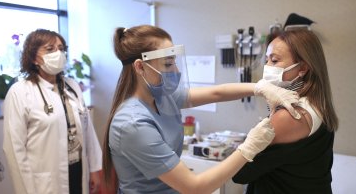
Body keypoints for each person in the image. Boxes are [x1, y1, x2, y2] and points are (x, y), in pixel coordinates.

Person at [102, 25, 301, 194]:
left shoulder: (162, 97)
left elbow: (217, 93)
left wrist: (259, 88)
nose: (176, 71)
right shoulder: (132, 124)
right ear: (140, 67)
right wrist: (248, 148)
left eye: (175, 62)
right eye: (168, 64)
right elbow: (194, 187)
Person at [232, 29, 338, 194]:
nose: (267, 67)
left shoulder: (288, 116)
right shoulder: (318, 104)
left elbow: (239, 173)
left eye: (274, 60)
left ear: (303, 68)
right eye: (266, 59)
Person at [3, 29, 102, 194]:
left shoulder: (72, 86)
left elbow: (87, 131)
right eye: (50, 49)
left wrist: (93, 168)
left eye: (61, 49)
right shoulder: (20, 92)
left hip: (78, 171)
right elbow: (14, 149)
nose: (58, 53)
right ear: (34, 57)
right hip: (44, 181)